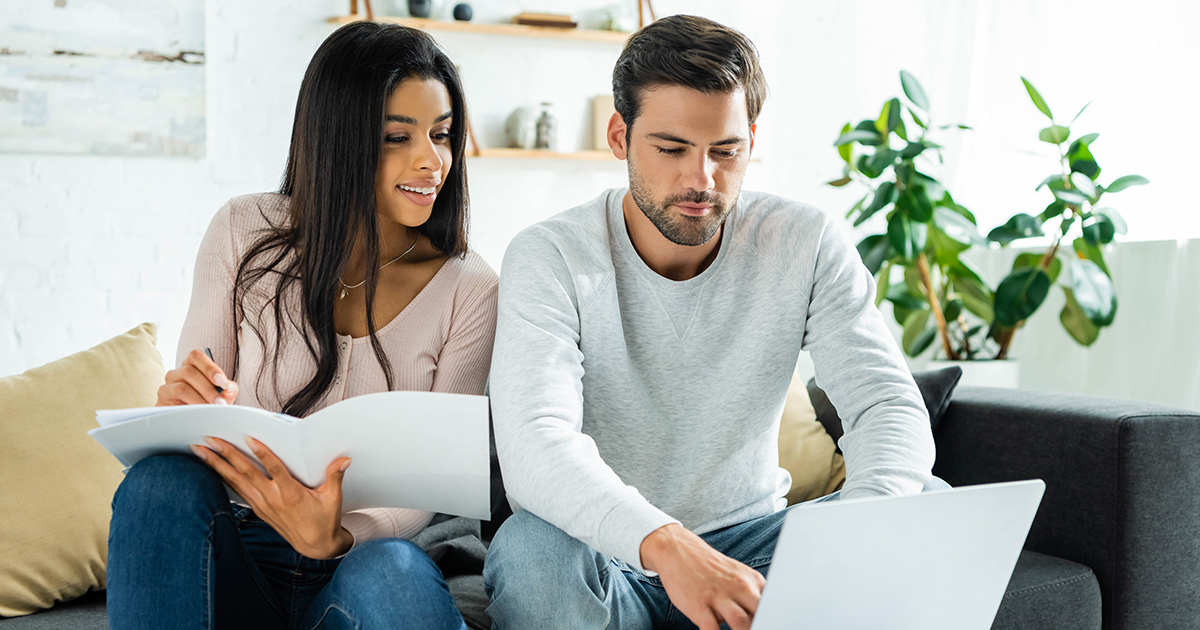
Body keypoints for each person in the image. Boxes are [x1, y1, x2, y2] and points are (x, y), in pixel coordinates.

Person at [484, 14, 945, 630]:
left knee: (925, 506)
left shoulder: (803, 241)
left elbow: (887, 405)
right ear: (619, 136)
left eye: (725, 152)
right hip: (610, 554)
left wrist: (853, 540)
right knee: (531, 550)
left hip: (754, 544)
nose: (701, 180)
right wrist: (668, 545)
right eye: (671, 149)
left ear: (751, 138)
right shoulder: (552, 254)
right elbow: (535, 440)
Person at [106, 22, 497, 630]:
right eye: (398, 136)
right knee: (159, 482)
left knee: (392, 570)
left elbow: (434, 485)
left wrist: (338, 533)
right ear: (337, 138)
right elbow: (203, 397)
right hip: (237, 548)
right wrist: (184, 402)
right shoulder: (242, 232)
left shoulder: (470, 288)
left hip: (360, 562)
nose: (432, 160)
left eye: (442, 135)